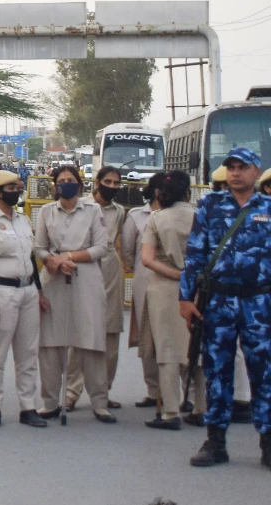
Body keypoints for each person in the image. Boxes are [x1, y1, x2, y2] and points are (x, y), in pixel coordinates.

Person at [180, 147, 271, 469]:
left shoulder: (269, 208)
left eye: (242, 167)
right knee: (217, 370)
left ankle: (268, 441)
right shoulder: (210, 205)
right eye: (230, 167)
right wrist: (186, 298)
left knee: (264, 371)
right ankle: (215, 441)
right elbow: (194, 255)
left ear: (256, 172)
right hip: (218, 302)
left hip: (260, 301)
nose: (235, 173)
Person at [34, 165, 114, 424]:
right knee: (51, 342)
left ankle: (100, 403)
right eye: (61, 180)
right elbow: (39, 246)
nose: (66, 184)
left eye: (71, 180)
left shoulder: (93, 211)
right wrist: (53, 261)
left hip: (86, 276)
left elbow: (101, 247)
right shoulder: (46, 212)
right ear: (55, 185)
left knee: (91, 340)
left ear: (80, 185)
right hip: (54, 278)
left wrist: (68, 257)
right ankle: (49, 402)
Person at [0, 169, 46, 428]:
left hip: (27, 291)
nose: (18, 191)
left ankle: (28, 407)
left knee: (27, 353)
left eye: (18, 187)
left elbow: (31, 259)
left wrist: (38, 291)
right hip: (1, 292)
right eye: (12, 188)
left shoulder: (23, 219)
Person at [139, 170, 205, 430]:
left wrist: (177, 274)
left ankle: (170, 412)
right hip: (200, 290)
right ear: (188, 192)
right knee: (197, 349)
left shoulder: (157, 219)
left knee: (167, 352)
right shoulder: (201, 217)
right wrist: (191, 277)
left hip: (165, 289)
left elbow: (147, 259)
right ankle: (201, 408)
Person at [65, 166, 126, 412]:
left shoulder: (120, 211)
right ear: (97, 182)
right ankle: (70, 392)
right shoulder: (81, 206)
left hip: (111, 270)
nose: (111, 186)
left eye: (116, 182)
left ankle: (102, 392)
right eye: (107, 181)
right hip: (85, 266)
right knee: (80, 334)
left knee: (110, 335)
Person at [121, 172, 166, 411]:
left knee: (175, 337)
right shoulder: (137, 217)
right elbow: (127, 252)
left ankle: (180, 392)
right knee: (147, 338)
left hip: (175, 285)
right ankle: (153, 390)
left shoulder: (184, 214)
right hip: (145, 283)